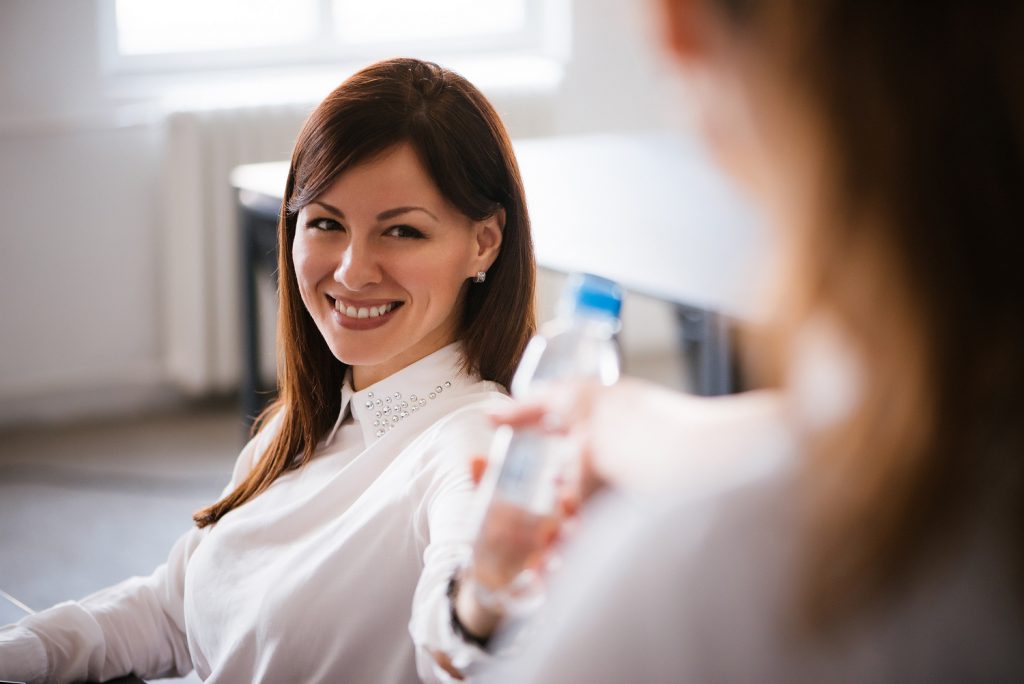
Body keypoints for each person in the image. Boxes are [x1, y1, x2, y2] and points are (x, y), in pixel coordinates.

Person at [461, 0, 1024, 681]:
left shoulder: (698, 587)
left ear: (679, 26)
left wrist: (480, 603)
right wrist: (632, 419)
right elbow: (866, 436)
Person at [0, 57, 536, 683]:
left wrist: (482, 600)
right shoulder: (300, 424)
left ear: (484, 242)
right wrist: (23, 648)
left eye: (402, 232)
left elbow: (465, 645)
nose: (352, 270)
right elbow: (174, 612)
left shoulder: (475, 445)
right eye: (327, 224)